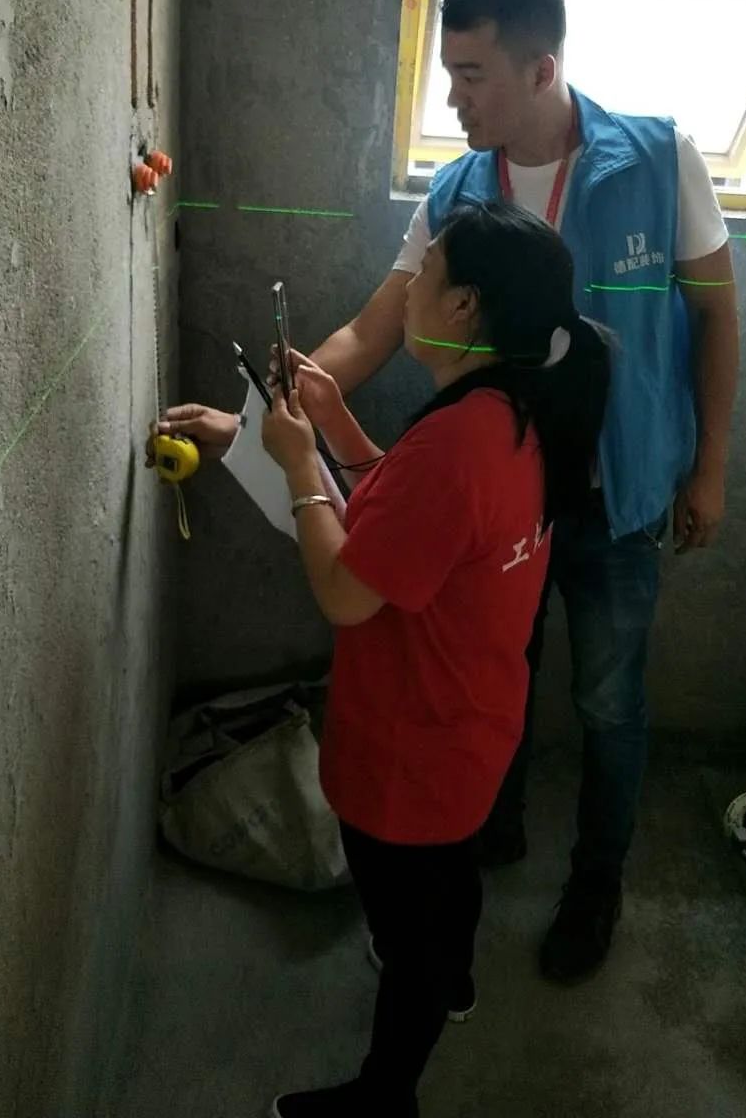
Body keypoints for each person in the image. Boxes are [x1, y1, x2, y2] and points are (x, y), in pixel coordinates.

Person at [153, 0, 740, 984]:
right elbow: (369, 333)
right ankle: (488, 830)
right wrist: (268, 412)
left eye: (472, 75)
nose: (454, 98)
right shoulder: (460, 191)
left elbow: (717, 318)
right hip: (499, 504)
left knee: (610, 701)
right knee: (495, 677)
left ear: (541, 70)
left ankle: (596, 884)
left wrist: (710, 469)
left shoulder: (660, 159)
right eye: (449, 73)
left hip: (616, 494)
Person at [257, 200, 611, 1118]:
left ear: (464, 307)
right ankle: (452, 978)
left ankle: (386, 1097)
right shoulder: (509, 411)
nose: (409, 284)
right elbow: (418, 518)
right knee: (446, 884)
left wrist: (297, 468)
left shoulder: (458, 440)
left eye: (428, 269)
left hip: (410, 745)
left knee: (407, 931)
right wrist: (333, 421)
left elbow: (347, 591)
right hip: (471, 726)